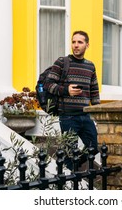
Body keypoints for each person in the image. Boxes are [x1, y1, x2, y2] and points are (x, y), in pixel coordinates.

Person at [44, 30, 100, 170]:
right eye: (73, 42)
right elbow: (48, 85)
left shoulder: (90, 66)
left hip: (85, 116)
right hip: (68, 116)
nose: (76, 45)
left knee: (94, 147)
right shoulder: (62, 62)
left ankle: (75, 165)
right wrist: (66, 90)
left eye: (80, 42)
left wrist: (98, 115)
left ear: (87, 45)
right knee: (70, 153)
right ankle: (70, 180)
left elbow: (94, 90)